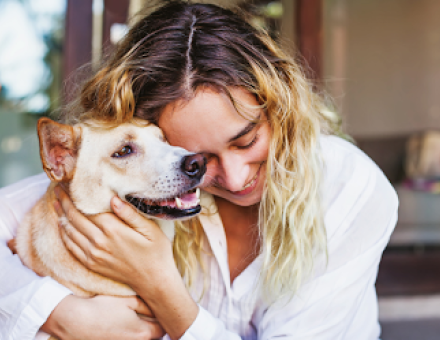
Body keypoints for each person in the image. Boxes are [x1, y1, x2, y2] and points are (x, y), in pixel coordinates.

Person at [0, 1, 398, 339]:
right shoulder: (147, 180)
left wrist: (158, 282)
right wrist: (65, 315)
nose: (237, 178)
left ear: (279, 106)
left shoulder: (347, 184)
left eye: (246, 141)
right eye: (196, 161)